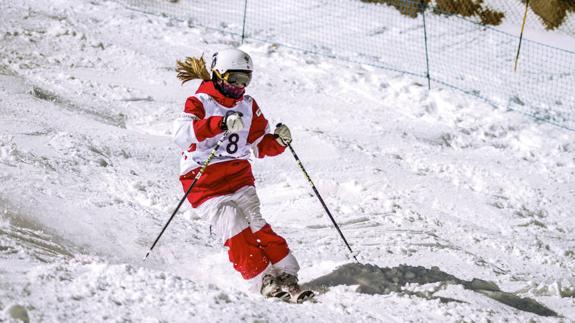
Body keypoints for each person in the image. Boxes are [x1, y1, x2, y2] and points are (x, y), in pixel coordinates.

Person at [172, 48, 310, 301]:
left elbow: (259, 144)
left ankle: (286, 273)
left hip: (239, 175)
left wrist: (279, 141)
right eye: (233, 79)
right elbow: (180, 134)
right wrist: (219, 124)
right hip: (203, 180)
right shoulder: (200, 101)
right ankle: (261, 279)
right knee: (234, 224)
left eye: (245, 80)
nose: (239, 86)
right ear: (218, 74)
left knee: (256, 223)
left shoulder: (248, 105)